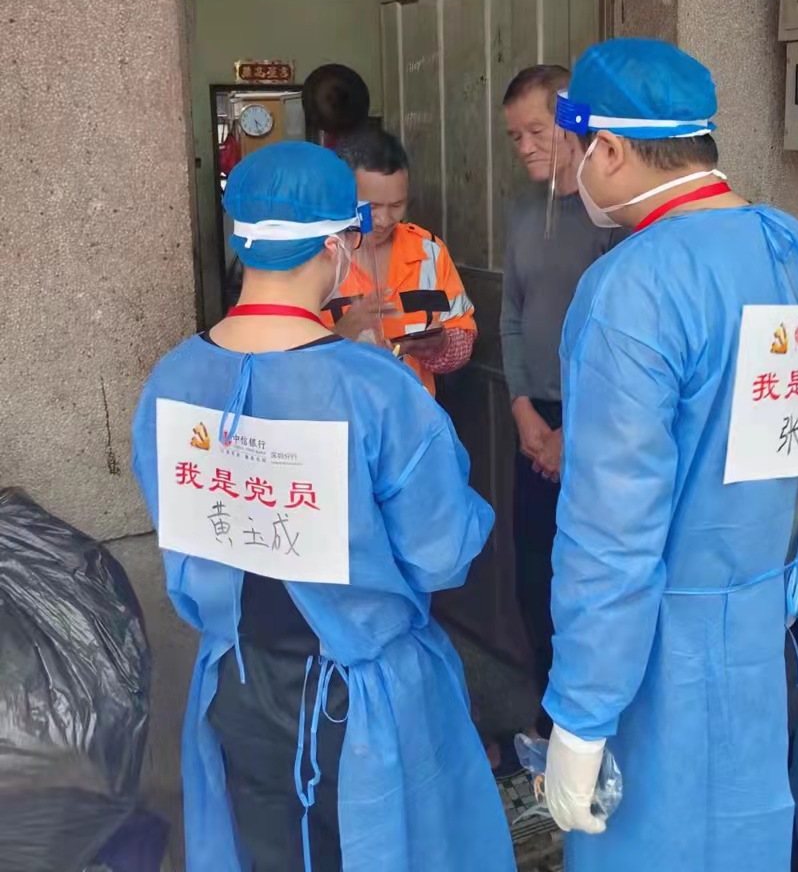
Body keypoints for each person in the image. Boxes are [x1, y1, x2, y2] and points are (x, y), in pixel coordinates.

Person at [132, 142, 516, 872]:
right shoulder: (374, 387)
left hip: (234, 680)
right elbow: (441, 552)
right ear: (339, 246)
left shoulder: (172, 380)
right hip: (358, 695)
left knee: (266, 848)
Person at [542, 38, 798, 872]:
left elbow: (612, 532)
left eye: (573, 147)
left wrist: (581, 716)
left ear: (607, 149)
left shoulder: (633, 288)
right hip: (786, 630)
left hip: (674, 656)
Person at [499, 65, 623, 753]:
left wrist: (574, 434)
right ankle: (549, 718)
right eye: (514, 136)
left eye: (536, 131)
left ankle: (590, 730)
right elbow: (512, 316)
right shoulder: (524, 212)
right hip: (535, 420)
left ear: (574, 122)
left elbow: (620, 343)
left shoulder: (612, 217)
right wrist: (524, 411)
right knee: (535, 575)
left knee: (590, 581)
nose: (524, 147)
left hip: (601, 424)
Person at [326, 127, 476, 396]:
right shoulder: (319, 256)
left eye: (396, 205)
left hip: (414, 412)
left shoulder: (429, 251)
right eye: (371, 207)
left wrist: (442, 346)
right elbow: (289, 363)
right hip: (340, 414)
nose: (384, 220)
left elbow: (464, 337)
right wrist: (342, 333)